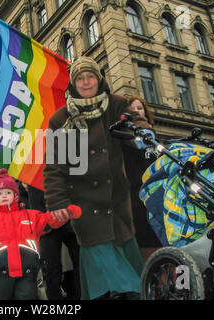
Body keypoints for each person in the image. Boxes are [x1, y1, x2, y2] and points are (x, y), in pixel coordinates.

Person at [43, 56, 152, 300]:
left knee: (126, 265)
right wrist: (56, 202)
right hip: (85, 205)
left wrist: (142, 131)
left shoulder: (115, 104)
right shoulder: (60, 120)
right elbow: (54, 166)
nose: (86, 82)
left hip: (118, 201)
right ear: (73, 84)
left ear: (99, 78)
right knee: (118, 278)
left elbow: (136, 121)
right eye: (80, 78)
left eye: (90, 76)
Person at [0, 169, 82, 300]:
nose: (4, 196)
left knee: (27, 296)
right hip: (1, 273)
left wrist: (66, 213)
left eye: (8, 192)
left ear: (15, 195)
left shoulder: (29, 215)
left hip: (27, 271)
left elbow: (47, 220)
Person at [123, 96, 162, 262]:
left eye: (140, 108)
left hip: (158, 193)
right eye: (133, 110)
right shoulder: (125, 137)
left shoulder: (153, 136)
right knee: (147, 245)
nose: (137, 112)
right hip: (138, 196)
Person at [28, 185, 81, 300]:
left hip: (68, 218)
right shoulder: (30, 175)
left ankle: (82, 295)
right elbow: (35, 205)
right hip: (46, 226)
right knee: (52, 269)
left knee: (80, 262)